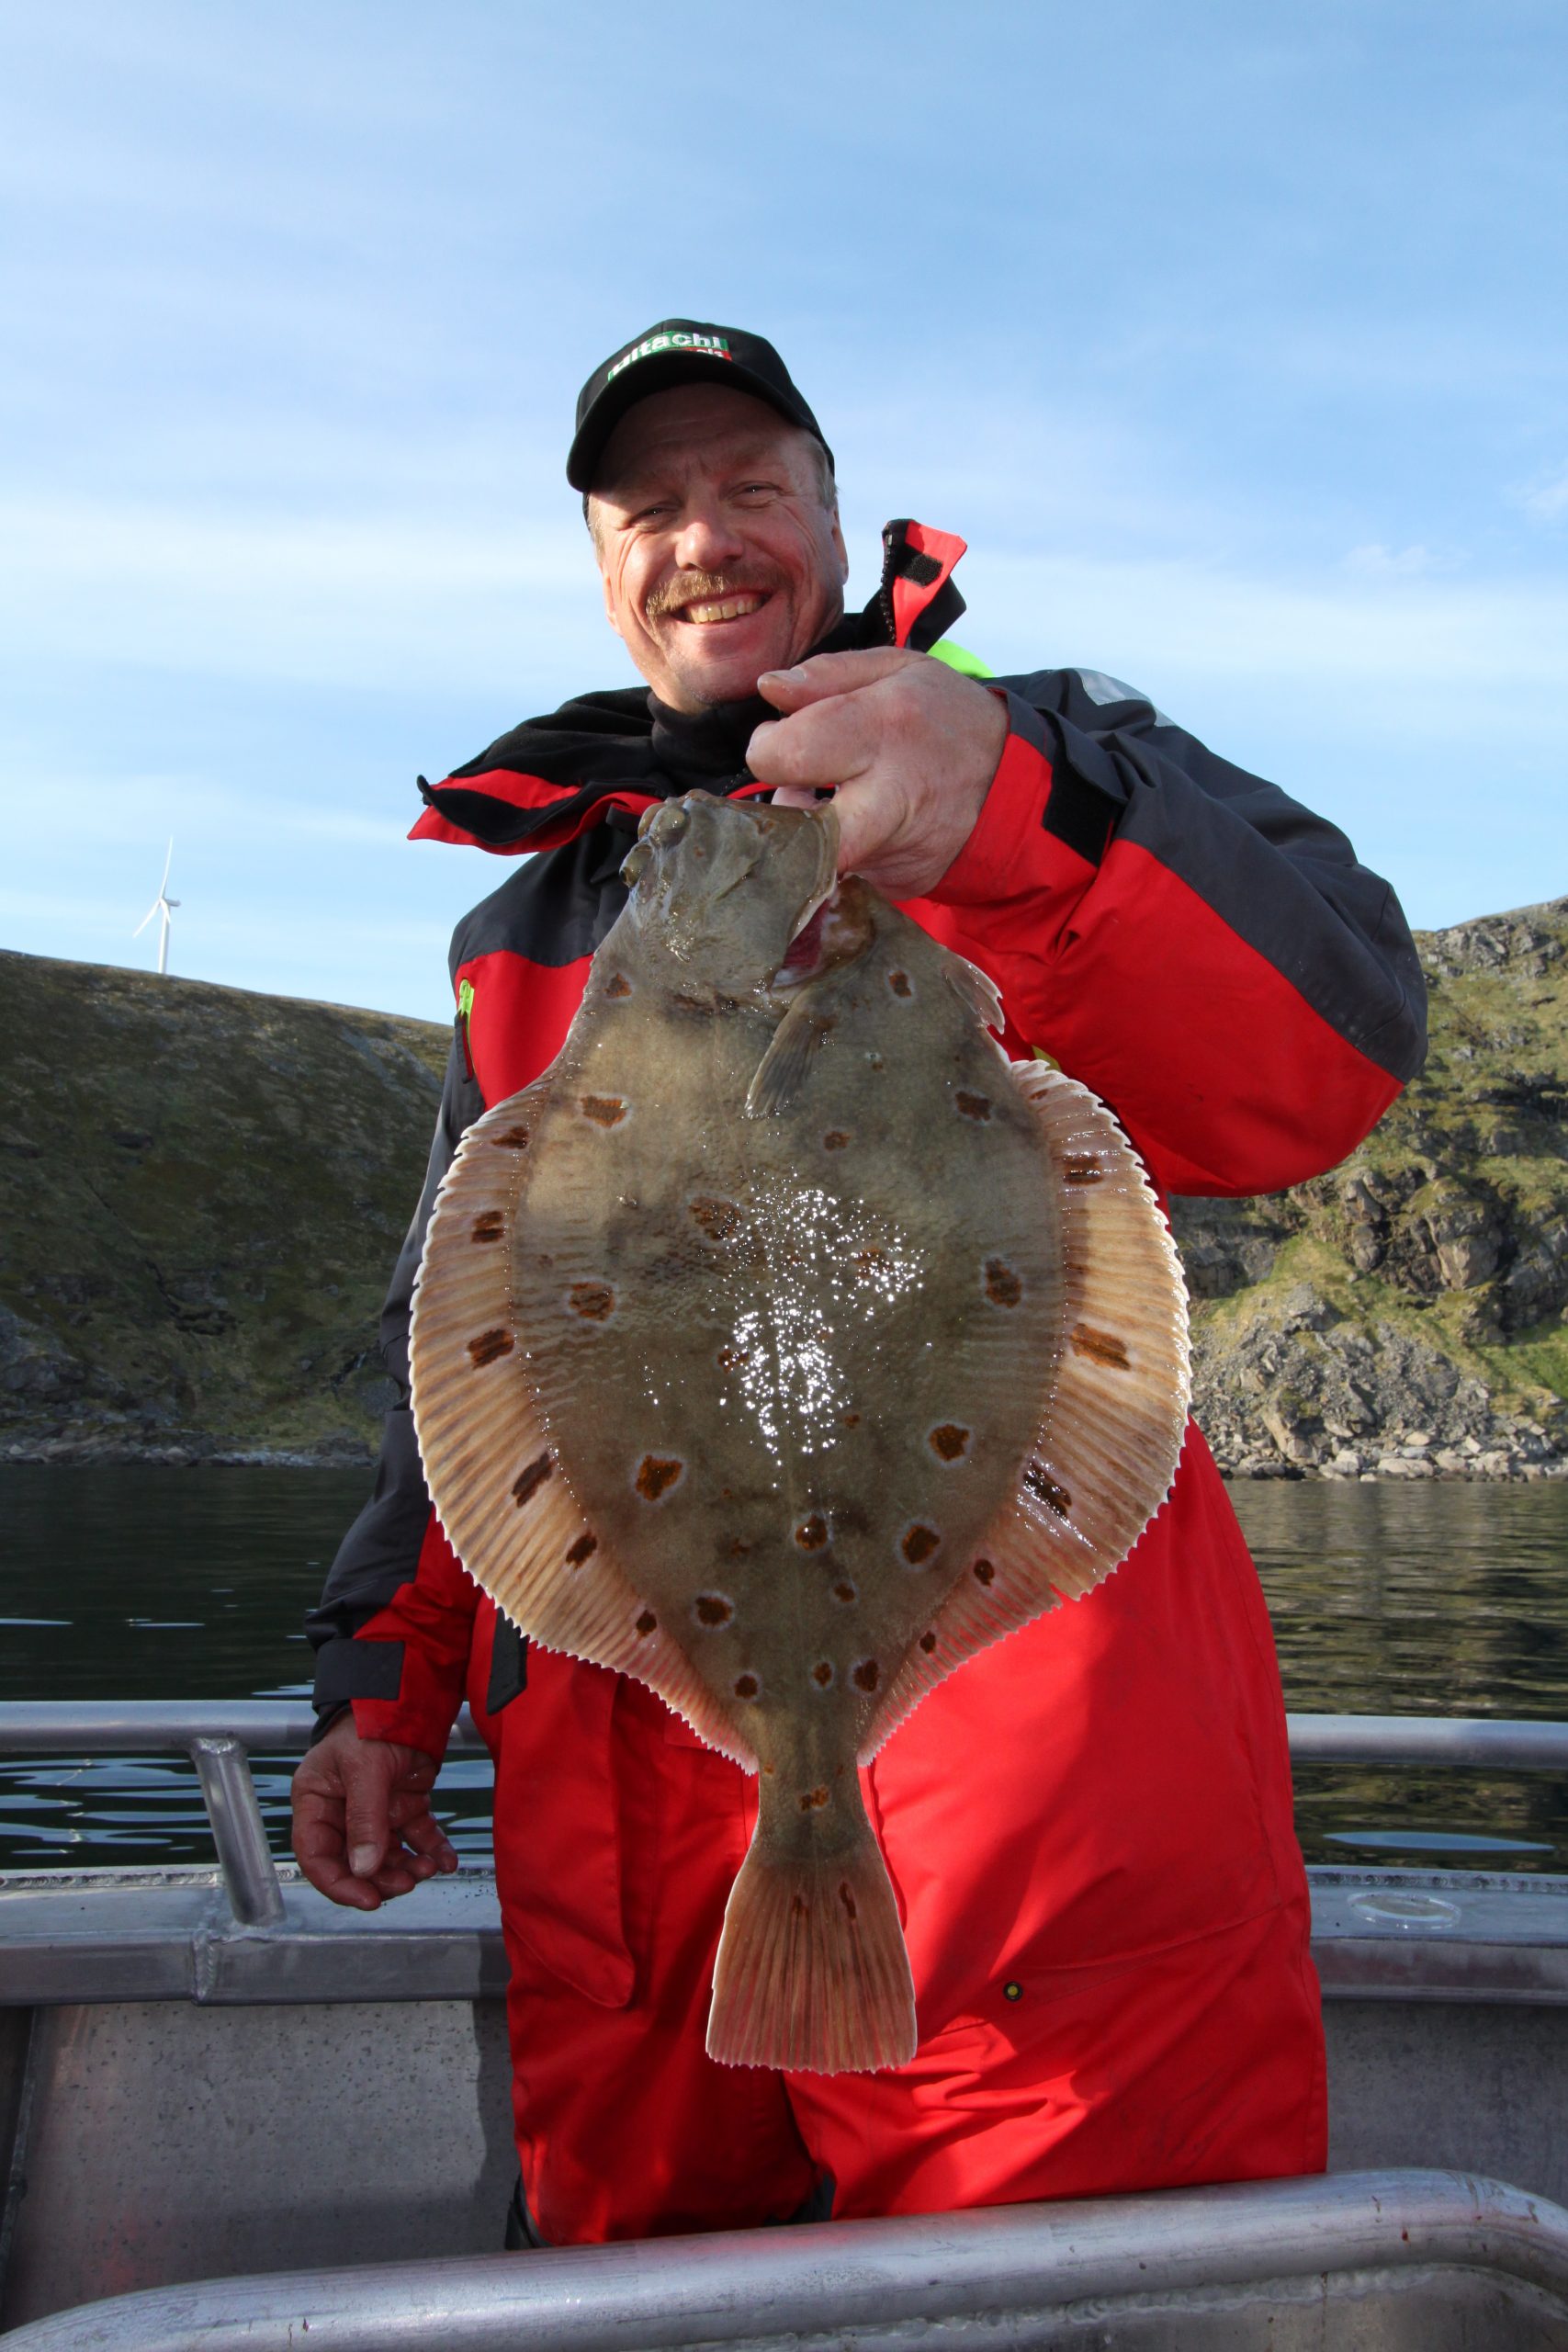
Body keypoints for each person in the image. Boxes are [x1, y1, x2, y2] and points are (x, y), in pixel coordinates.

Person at [293, 318, 1427, 2246]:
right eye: (650, 504)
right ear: (600, 562)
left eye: (750, 487)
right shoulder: (531, 924)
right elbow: (472, 1353)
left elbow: (1322, 1057)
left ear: (831, 516)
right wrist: (381, 1687)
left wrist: (1008, 807)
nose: (702, 534)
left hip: (1020, 1904)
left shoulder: (1057, 759)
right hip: (631, 1918)